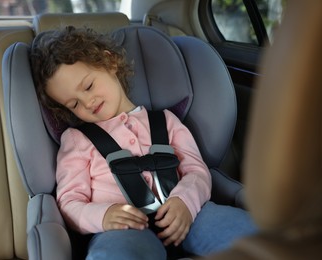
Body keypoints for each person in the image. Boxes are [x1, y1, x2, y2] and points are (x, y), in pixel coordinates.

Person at [30, 26, 256, 260]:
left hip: (189, 213)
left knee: (251, 235)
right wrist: (103, 215)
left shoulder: (166, 121)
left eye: (88, 86)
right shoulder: (77, 140)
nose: (87, 102)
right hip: (123, 230)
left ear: (110, 63)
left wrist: (184, 201)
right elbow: (69, 202)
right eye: (74, 104)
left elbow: (196, 171)